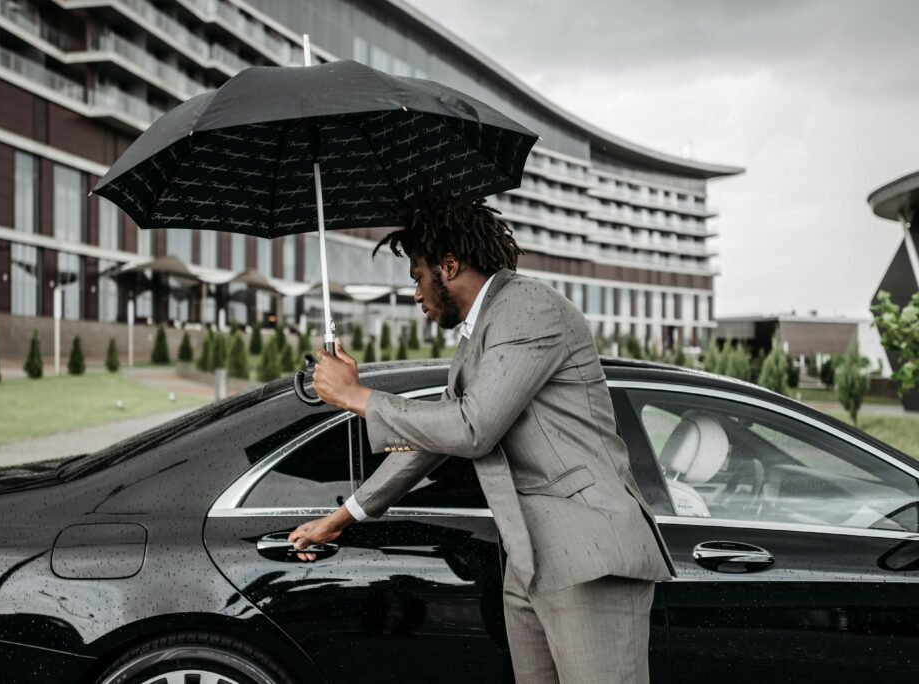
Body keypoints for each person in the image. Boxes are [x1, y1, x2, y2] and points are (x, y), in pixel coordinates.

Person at [289, 192, 674, 683]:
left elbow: (473, 428)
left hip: (587, 554)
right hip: (529, 561)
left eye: (418, 279)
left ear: (448, 266)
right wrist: (342, 517)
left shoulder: (529, 308)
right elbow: (437, 437)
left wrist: (359, 397)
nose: (416, 295)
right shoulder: (480, 334)